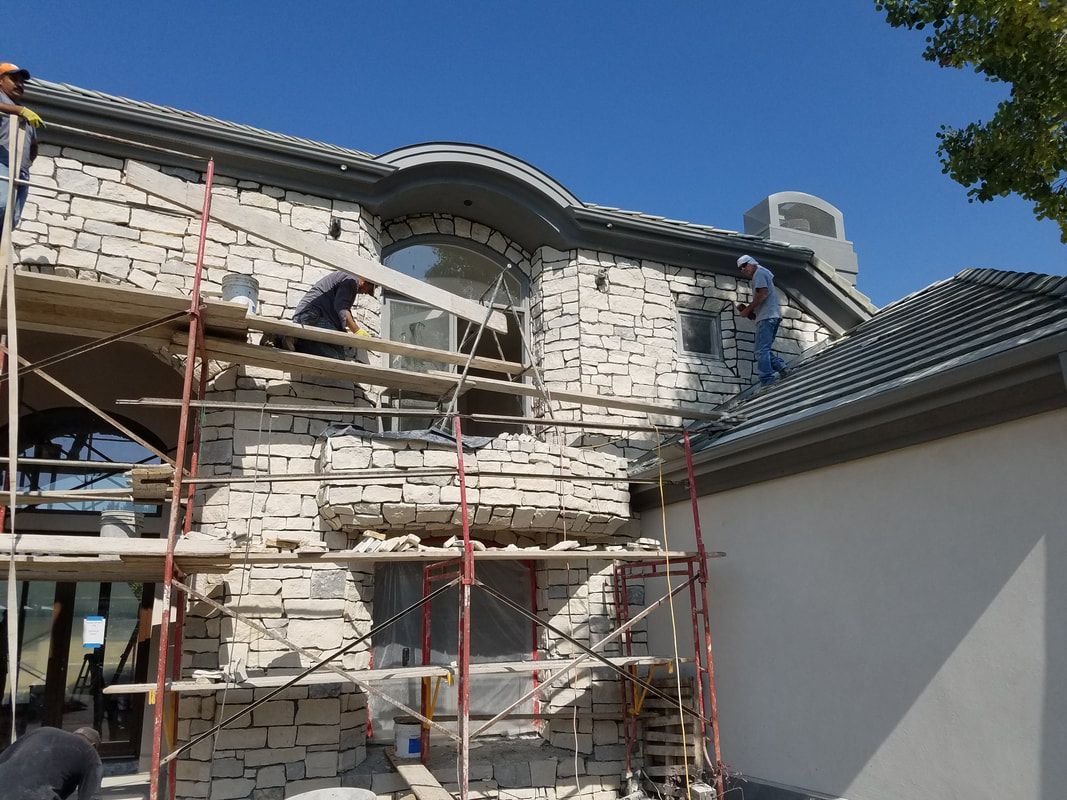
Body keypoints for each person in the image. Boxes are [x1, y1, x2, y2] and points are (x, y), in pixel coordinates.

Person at [284, 271, 376, 359]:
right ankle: (287, 337)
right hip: (311, 316)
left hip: (313, 317)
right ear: (365, 280)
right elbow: (342, 308)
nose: (366, 292)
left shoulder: (347, 279)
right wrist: (357, 330)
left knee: (339, 356)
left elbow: (343, 309)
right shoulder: (351, 280)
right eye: (369, 289)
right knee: (336, 358)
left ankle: (296, 341)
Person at [0, 726, 103, 800]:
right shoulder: (90, 753)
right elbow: (91, 796)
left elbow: (3, 758)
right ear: (93, 745)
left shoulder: (40, 731)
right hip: (35, 795)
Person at [0, 63, 43, 229]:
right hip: (2, 163)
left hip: (22, 170)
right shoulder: (6, 103)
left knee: (13, 218)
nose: (19, 84)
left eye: (22, 82)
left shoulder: (25, 113)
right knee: (2, 205)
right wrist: (19, 111)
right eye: (13, 79)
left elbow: (33, 143)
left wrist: (30, 160)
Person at [736, 254, 789, 386]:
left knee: (761, 351)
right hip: (771, 316)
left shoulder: (759, 273)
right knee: (763, 349)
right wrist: (752, 314)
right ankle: (782, 367)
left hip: (767, 317)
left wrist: (747, 310)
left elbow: (762, 295)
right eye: (740, 268)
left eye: (744, 265)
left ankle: (767, 380)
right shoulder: (762, 273)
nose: (743, 269)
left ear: (752, 262)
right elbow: (764, 297)